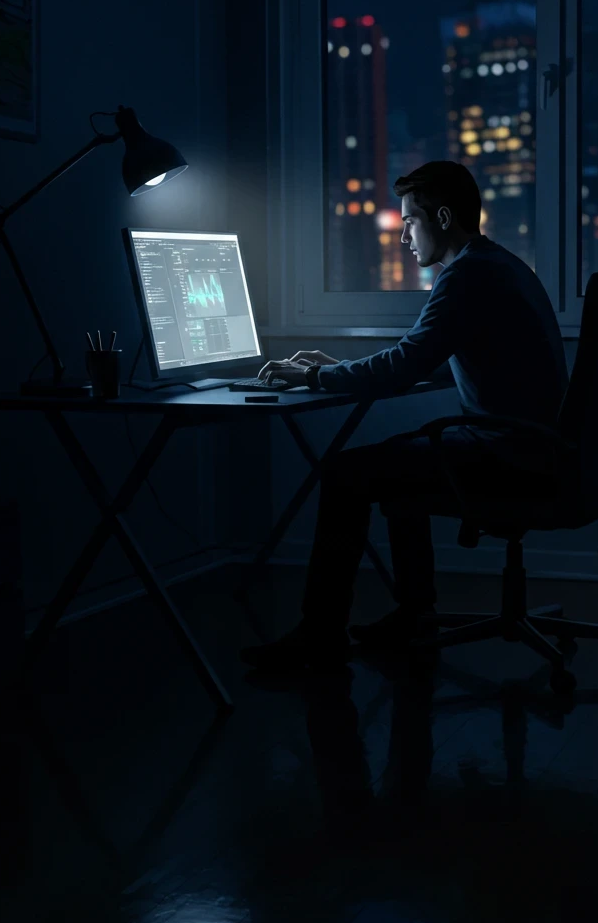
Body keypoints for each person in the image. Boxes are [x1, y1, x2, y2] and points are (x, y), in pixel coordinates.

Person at [241, 160, 568, 672]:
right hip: (531, 444)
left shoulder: (467, 276)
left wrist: (314, 377)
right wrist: (343, 369)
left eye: (409, 222)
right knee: (399, 462)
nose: (403, 238)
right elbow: (433, 360)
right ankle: (414, 612)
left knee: (347, 472)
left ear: (441, 217)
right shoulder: (495, 265)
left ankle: (320, 636)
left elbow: (403, 365)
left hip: (507, 451)